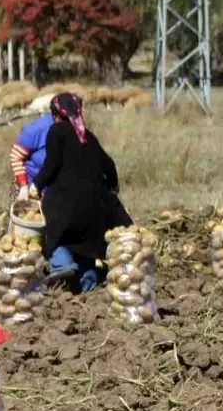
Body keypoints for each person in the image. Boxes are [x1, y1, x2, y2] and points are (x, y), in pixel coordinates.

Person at [32, 93, 132, 293]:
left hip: (66, 205)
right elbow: (109, 165)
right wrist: (111, 187)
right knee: (87, 243)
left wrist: (35, 186)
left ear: (56, 114)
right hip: (95, 208)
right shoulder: (88, 135)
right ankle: (88, 282)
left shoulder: (56, 131)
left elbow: (51, 167)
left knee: (57, 233)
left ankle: (62, 265)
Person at [10, 112, 53, 200]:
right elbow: (16, 156)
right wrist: (23, 186)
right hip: (31, 187)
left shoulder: (79, 130)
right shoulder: (37, 130)